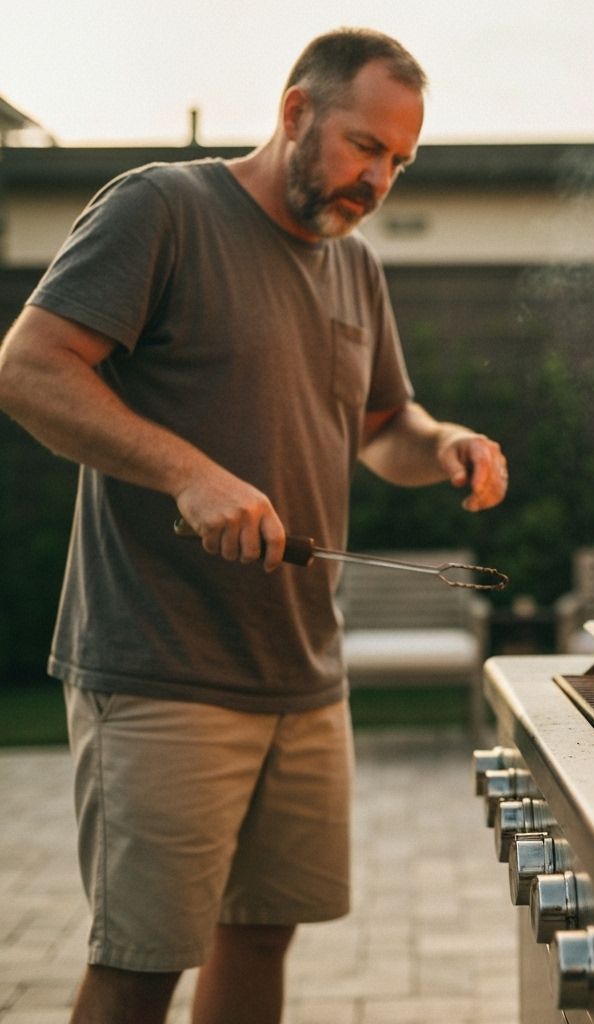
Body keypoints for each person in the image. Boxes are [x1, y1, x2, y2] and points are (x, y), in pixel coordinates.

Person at [0, 27, 508, 1024]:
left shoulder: (355, 267)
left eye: (400, 161)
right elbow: (29, 366)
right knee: (142, 961)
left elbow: (380, 428)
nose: (381, 178)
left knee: (262, 930)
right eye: (367, 146)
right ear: (294, 113)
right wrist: (190, 474)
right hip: (159, 666)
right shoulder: (163, 210)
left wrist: (442, 440)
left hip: (303, 672)